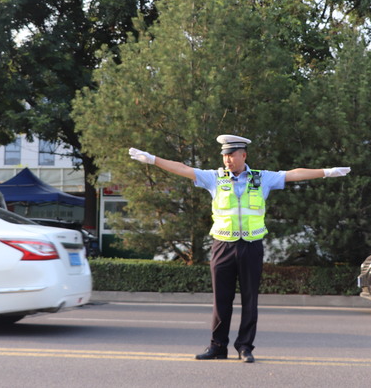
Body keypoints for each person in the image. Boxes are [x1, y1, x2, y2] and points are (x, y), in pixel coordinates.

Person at [128, 134, 350, 363]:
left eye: (231, 155)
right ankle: (217, 346)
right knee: (221, 300)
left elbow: (293, 174)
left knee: (249, 300)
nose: (227, 160)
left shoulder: (261, 178)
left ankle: (245, 347)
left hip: (251, 247)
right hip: (223, 246)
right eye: (224, 155)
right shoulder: (214, 178)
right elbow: (182, 168)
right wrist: (153, 159)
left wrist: (327, 171)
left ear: (243, 155)